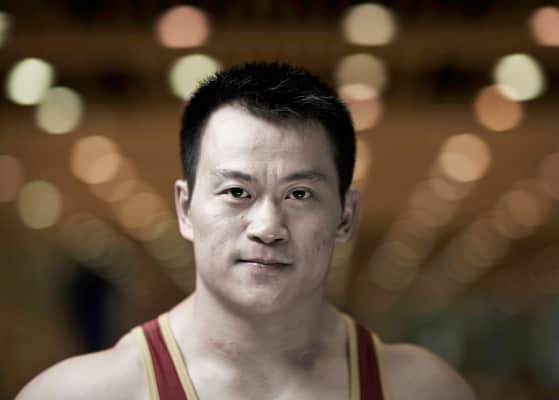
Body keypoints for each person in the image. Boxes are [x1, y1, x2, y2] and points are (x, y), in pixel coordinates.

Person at [17, 62, 476, 400]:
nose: (268, 227)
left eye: (300, 194)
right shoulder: (81, 394)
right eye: (237, 192)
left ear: (345, 216)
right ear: (184, 209)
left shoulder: (424, 390)